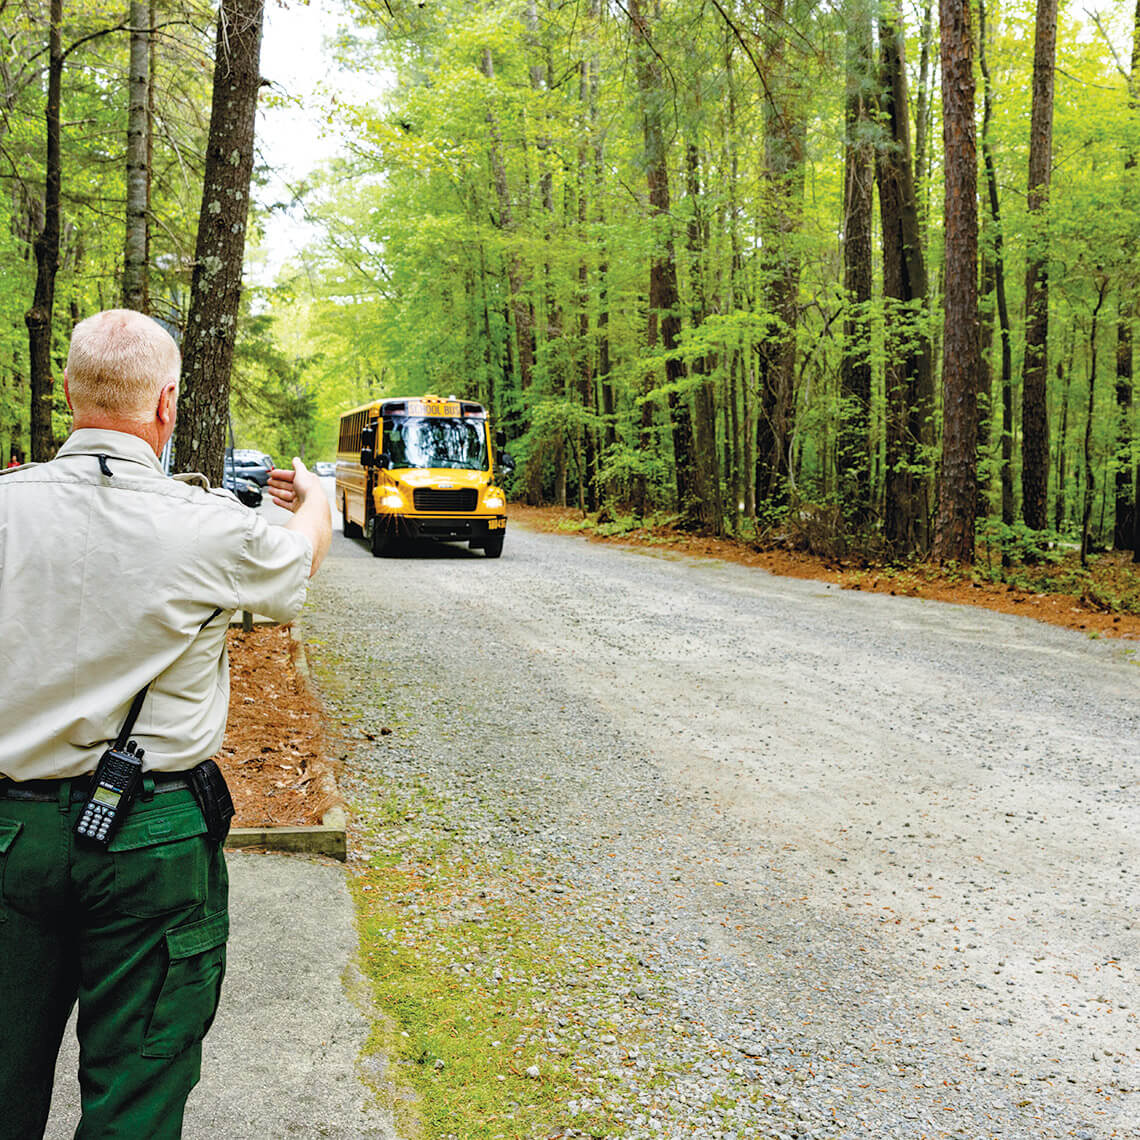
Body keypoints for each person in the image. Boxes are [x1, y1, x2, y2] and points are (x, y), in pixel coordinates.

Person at [0, 309, 331, 1139]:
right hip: (150, 835)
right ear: (168, 405)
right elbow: (294, 570)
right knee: (137, 1096)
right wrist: (317, 500)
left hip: (7, 830)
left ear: (68, 393)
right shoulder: (208, 525)